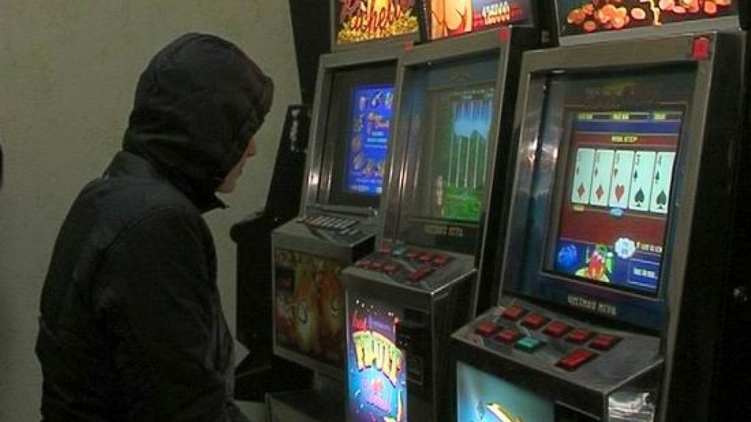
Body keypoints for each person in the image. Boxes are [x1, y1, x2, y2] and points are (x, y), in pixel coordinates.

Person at [35, 32, 273, 421]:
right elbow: (186, 407)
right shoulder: (156, 223)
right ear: (205, 128)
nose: (252, 148)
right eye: (241, 129)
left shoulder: (109, 194)